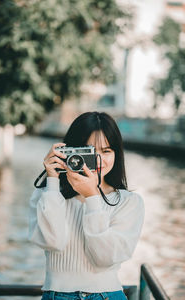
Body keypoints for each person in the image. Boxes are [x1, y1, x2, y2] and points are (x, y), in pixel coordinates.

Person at [28, 111, 144, 300]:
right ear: (69, 151)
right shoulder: (46, 195)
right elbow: (52, 242)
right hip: (56, 295)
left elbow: (105, 258)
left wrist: (92, 198)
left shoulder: (129, 202)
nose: (98, 160)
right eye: (89, 151)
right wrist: (52, 181)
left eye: (106, 151)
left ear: (117, 154)